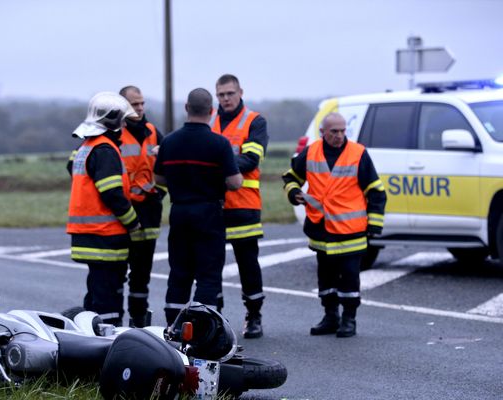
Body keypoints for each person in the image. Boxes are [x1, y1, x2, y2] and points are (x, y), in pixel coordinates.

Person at [282, 112, 387, 338]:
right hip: (321, 230)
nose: (339, 136)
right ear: (323, 133)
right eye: (334, 132)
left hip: (351, 231)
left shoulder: (358, 153)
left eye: (342, 131)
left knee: (350, 277)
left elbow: (377, 191)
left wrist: (375, 225)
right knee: (326, 278)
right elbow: (291, 178)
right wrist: (294, 193)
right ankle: (331, 317)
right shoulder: (311, 152)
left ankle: (349, 319)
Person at [154, 88, 243, 327]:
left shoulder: (169, 142)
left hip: (179, 211)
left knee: (180, 272)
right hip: (208, 212)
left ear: (186, 108)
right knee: (208, 273)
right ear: (212, 111)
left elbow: (158, 180)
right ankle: (200, 327)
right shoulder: (219, 143)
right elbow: (235, 182)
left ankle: (173, 326)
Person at [66, 92, 141, 327]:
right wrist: (133, 223)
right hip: (105, 237)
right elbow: (112, 194)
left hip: (88, 236)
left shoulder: (86, 147)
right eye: (122, 121)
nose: (124, 126)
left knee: (96, 294)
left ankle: (88, 334)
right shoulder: (105, 150)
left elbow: (72, 167)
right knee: (108, 299)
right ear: (113, 122)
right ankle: (106, 343)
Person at [209, 74, 269, 339]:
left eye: (230, 93)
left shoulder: (254, 121)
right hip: (212, 205)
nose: (226, 99)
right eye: (221, 95)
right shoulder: (208, 119)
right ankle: (216, 319)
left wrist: (215, 165)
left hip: (243, 205)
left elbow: (251, 160)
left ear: (240, 92)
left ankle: (254, 315)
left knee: (248, 264)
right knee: (211, 264)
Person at [118, 85, 165, 328]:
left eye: (142, 104)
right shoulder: (112, 132)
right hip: (119, 215)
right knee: (115, 273)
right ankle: (112, 325)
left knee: (141, 275)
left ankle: (138, 322)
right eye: (134, 104)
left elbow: (170, 166)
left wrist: (160, 194)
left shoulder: (153, 132)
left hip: (148, 215)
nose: (140, 109)